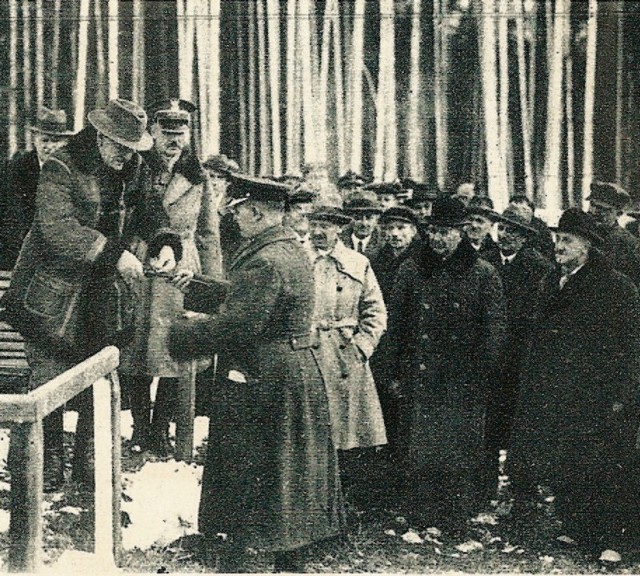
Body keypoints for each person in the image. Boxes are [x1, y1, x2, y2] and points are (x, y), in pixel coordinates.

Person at [1, 98, 181, 490]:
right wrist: (115, 255)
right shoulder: (61, 166)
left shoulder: (132, 166)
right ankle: (46, 467)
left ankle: (88, 465)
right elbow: (56, 228)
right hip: (51, 293)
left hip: (102, 295)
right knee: (50, 378)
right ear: (101, 137)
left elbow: (150, 209)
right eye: (120, 147)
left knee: (96, 376)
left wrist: (164, 243)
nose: (126, 156)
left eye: (133, 149)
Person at [167, 174, 343, 573]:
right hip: (286, 368)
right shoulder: (283, 248)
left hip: (267, 374)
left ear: (256, 211)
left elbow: (237, 326)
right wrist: (193, 285)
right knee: (285, 465)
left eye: (238, 211)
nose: (234, 218)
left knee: (262, 463)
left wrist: (178, 333)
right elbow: (244, 298)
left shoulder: (266, 259)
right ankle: (286, 546)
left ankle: (255, 550)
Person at [508, 208, 640, 561]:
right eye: (557, 239)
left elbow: (631, 348)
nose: (558, 246)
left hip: (602, 396)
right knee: (570, 462)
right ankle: (577, 527)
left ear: (587, 246)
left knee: (608, 466)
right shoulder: (553, 280)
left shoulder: (616, 287)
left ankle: (612, 539)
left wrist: (622, 396)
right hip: (561, 391)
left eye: (566, 241)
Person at [386, 196, 506, 536]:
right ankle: (421, 514)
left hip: (462, 381)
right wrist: (393, 372)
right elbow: (395, 326)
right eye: (434, 232)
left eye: (447, 233)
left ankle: (455, 517)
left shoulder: (483, 273)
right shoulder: (412, 269)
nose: (439, 240)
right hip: (420, 377)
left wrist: (481, 375)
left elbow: (494, 331)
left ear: (462, 233)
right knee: (421, 449)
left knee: (459, 450)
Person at [122, 98, 223, 455]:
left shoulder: (199, 176)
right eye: (167, 133)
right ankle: (138, 426)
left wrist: (212, 286)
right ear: (153, 132)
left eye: (180, 134)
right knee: (135, 350)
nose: (174, 141)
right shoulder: (136, 165)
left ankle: (160, 428)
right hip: (139, 263)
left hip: (182, 270)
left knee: (174, 351)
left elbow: (209, 233)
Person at [483, 204, 553, 500]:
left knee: (520, 428)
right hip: (489, 358)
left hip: (521, 361)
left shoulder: (540, 269)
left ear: (525, 237)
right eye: (502, 228)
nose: (506, 235)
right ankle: (483, 489)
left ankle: (522, 494)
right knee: (487, 426)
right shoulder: (484, 262)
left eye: (514, 231)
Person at [0, 107, 74, 269]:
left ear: (65, 143)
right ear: (35, 140)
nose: (49, 147)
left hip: (59, 258)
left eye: (56, 141)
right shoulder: (15, 169)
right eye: (45, 140)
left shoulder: (74, 172)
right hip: (16, 256)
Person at [587, 180, 640, 286]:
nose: (593, 212)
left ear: (618, 214)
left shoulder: (627, 242)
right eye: (592, 205)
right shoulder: (582, 233)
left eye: (603, 209)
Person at [509, 194, 555, 260]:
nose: (517, 213)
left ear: (531, 211)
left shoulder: (540, 228)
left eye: (523, 210)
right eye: (512, 210)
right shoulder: (508, 224)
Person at [340, 192, 384, 260]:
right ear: (349, 219)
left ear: (376, 220)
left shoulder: (383, 245)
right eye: (358, 218)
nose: (364, 223)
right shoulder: (339, 242)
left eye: (369, 218)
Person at [465, 196, 500, 268]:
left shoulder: (497, 252)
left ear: (491, 225)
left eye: (480, 221)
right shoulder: (457, 248)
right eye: (470, 219)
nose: (474, 225)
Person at [283, 184, 317, 254]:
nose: (303, 213)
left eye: (308, 209)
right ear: (286, 213)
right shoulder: (281, 242)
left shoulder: (318, 243)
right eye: (297, 209)